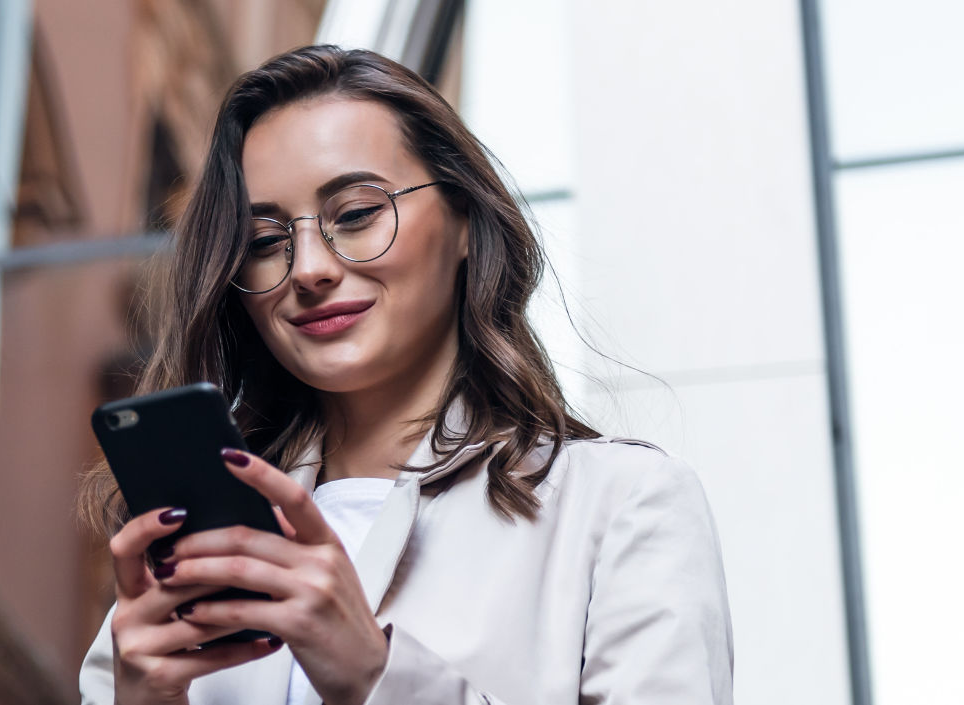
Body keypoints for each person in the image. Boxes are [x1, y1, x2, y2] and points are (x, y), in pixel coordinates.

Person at [74, 45, 733, 705]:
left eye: (357, 215)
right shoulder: (198, 559)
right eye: (265, 242)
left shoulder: (622, 508)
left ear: (466, 220)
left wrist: (375, 675)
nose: (307, 268)